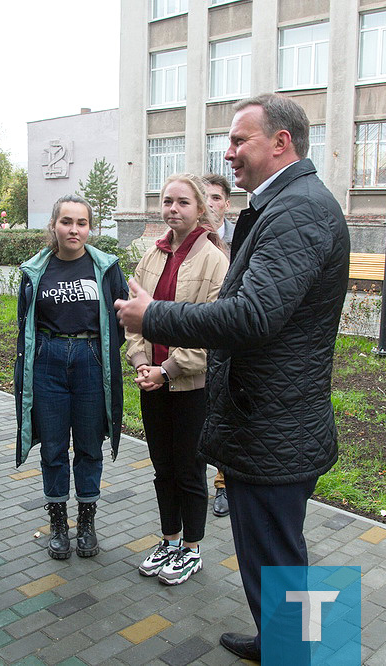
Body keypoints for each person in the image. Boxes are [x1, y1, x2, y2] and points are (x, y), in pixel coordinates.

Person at [115, 93, 351, 662]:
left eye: (239, 140)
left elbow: (253, 314)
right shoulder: (285, 204)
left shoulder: (299, 210)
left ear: (281, 142)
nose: (229, 154)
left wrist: (154, 317)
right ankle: (281, 642)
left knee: (277, 554)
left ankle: (299, 653)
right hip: (270, 418)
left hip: (275, 421)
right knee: (272, 553)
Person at [14, 194, 128, 559]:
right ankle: (59, 523)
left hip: (90, 361)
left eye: (81, 223)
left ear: (90, 228)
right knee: (52, 447)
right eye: (66, 222)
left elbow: (122, 318)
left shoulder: (107, 269)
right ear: (54, 225)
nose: (74, 229)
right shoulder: (36, 270)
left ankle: (88, 521)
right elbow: (24, 323)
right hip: (48, 361)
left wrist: (101, 350)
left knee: (89, 445)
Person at [128, 174, 228, 585]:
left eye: (183, 202)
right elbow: (133, 316)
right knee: (162, 467)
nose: (174, 209)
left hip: (191, 387)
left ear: (201, 209)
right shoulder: (151, 256)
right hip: (151, 382)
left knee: (189, 469)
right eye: (168, 201)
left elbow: (215, 332)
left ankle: (192, 549)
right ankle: (170, 539)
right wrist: (140, 364)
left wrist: (167, 370)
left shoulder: (215, 260)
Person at [201, 173, 233, 517]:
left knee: (225, 414)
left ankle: (224, 485)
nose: (210, 203)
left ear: (226, 203)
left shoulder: (243, 238)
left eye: (215, 197)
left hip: (227, 341)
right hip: (194, 342)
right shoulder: (189, 240)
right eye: (204, 196)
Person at [202, 173, 235, 246]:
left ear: (227, 205)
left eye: (216, 198)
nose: (208, 204)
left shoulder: (241, 238)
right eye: (203, 198)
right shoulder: (183, 237)